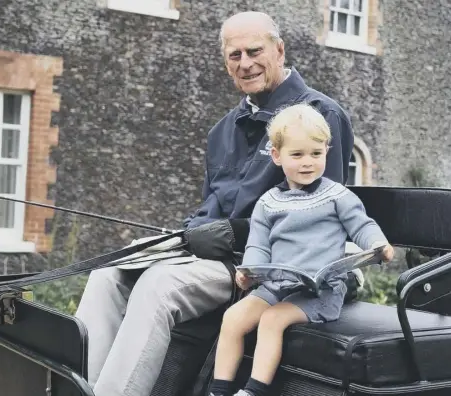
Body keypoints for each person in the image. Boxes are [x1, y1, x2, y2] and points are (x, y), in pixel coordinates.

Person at [74, 11, 355, 396]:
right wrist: (191, 230)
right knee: (109, 273)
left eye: (254, 51)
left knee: (158, 285)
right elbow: (212, 205)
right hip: (210, 255)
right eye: (234, 55)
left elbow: (322, 215)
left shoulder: (320, 115)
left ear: (279, 50)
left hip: (261, 268)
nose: (246, 63)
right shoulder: (223, 129)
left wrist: (232, 233)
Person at [208, 103, 394, 396]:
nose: (307, 162)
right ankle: (219, 390)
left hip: (320, 292)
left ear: (326, 152)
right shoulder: (269, 202)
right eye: (297, 155)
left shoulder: (337, 196)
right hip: (277, 285)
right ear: (277, 155)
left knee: (272, 319)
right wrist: (249, 273)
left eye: (316, 154)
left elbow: (362, 226)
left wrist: (378, 244)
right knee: (233, 317)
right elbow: (258, 245)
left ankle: (253, 391)